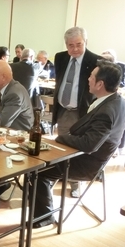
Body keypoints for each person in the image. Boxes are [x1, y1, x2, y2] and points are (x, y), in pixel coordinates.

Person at [30, 60, 125, 228]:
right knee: (38, 157)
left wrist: (61, 138)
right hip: (82, 155)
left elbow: (90, 144)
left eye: (91, 76)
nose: (88, 79)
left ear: (100, 84)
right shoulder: (116, 100)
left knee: (38, 170)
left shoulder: (107, 111)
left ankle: (44, 216)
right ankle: (37, 203)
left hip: (87, 163)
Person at [53, 27, 101, 197]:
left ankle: (74, 183)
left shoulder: (96, 60)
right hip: (63, 110)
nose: (74, 49)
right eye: (70, 45)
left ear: (85, 42)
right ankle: (59, 174)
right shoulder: (60, 57)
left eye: (78, 44)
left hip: (82, 112)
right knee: (61, 146)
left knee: (76, 149)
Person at [0, 60, 34, 131]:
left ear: (3, 77)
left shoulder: (14, 94)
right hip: (9, 131)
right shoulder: (6, 88)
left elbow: (3, 122)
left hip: (19, 135)